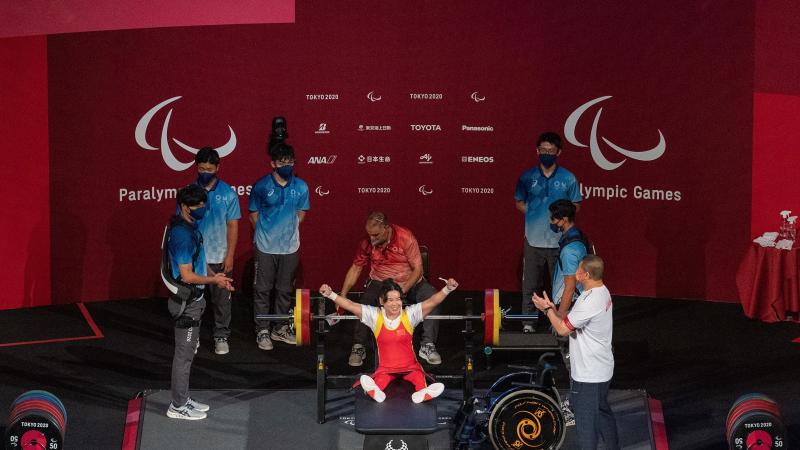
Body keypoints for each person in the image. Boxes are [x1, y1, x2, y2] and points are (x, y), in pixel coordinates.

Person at [319, 278, 458, 403]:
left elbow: (432, 301)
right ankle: (375, 391)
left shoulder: (410, 314)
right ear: (381, 301)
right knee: (380, 380)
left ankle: (423, 393)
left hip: (410, 367)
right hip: (386, 369)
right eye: (390, 300)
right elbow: (350, 305)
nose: (396, 304)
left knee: (419, 378)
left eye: (398, 299)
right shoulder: (374, 316)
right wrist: (330, 294)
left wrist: (448, 289)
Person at [532, 255, 619, 450]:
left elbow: (563, 330)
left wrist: (547, 311)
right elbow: (572, 320)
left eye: (578, 270)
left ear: (585, 275)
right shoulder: (602, 291)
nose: (575, 272)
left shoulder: (588, 301)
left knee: (586, 427)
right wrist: (553, 309)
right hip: (602, 369)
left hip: (589, 375)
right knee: (603, 412)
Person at [165, 185, 234, 420]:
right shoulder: (182, 235)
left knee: (188, 353)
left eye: (205, 205)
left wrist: (217, 280)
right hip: (187, 303)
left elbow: (198, 264)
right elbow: (187, 275)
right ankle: (177, 406)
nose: (203, 209)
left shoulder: (188, 226)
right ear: (185, 207)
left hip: (195, 299)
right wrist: (213, 280)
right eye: (198, 206)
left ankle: (183, 397)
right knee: (183, 355)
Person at [339, 212, 442, 366]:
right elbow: (356, 269)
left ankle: (427, 345)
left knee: (432, 296)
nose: (372, 239)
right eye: (369, 235)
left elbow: (418, 269)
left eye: (376, 235)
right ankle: (359, 346)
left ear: (386, 228)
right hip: (381, 282)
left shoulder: (405, 237)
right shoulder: (366, 243)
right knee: (365, 302)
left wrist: (402, 291)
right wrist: (343, 296)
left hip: (411, 282)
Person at [515, 132, 582, 332]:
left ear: (558, 152)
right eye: (543, 150)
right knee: (530, 285)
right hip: (533, 241)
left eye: (551, 151)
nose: (546, 153)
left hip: (559, 243)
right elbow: (519, 202)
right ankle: (528, 322)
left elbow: (576, 205)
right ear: (537, 151)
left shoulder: (568, 178)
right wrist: (533, 213)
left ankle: (560, 322)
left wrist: (564, 215)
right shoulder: (527, 177)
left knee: (561, 287)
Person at [249, 142, 310, 350]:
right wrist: (268, 234)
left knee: (285, 290)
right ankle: (262, 330)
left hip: (290, 248)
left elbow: (301, 215)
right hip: (265, 247)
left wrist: (286, 232)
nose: (287, 166)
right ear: (272, 163)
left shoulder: (301, 186)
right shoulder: (261, 186)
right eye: (282, 162)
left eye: (290, 162)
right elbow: (254, 215)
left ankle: (280, 328)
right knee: (263, 290)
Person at [192, 147, 241, 355]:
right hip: (195, 259)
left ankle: (221, 335)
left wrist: (229, 255)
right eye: (202, 168)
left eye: (209, 169)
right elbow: (182, 224)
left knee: (221, 301)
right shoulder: (189, 192)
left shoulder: (228, 193)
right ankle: (192, 336)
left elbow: (232, 226)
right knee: (194, 301)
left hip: (219, 256)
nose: (205, 172)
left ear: (217, 168)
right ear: (196, 167)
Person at [549, 199, 590, 315]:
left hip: (571, 306)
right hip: (577, 302)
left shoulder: (569, 251)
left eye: (553, 219)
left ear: (564, 219)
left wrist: (560, 316)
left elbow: (570, 287)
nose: (550, 222)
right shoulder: (578, 234)